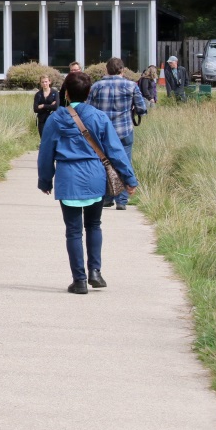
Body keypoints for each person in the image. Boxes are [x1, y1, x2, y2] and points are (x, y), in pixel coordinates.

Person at [38, 71, 138, 294]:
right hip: (95, 176)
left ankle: (79, 280)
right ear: (89, 92)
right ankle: (95, 272)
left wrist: (45, 180)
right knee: (94, 225)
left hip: (68, 178)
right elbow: (115, 151)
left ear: (65, 91)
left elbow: (46, 152)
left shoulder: (55, 118)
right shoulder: (99, 117)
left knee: (73, 231)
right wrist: (129, 179)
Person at [86, 57, 146, 211]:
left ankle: (107, 197)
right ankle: (122, 199)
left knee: (105, 163)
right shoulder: (131, 86)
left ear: (106, 70)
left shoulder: (96, 86)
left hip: (102, 132)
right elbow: (142, 108)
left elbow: (88, 108)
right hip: (124, 130)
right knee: (124, 162)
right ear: (122, 70)